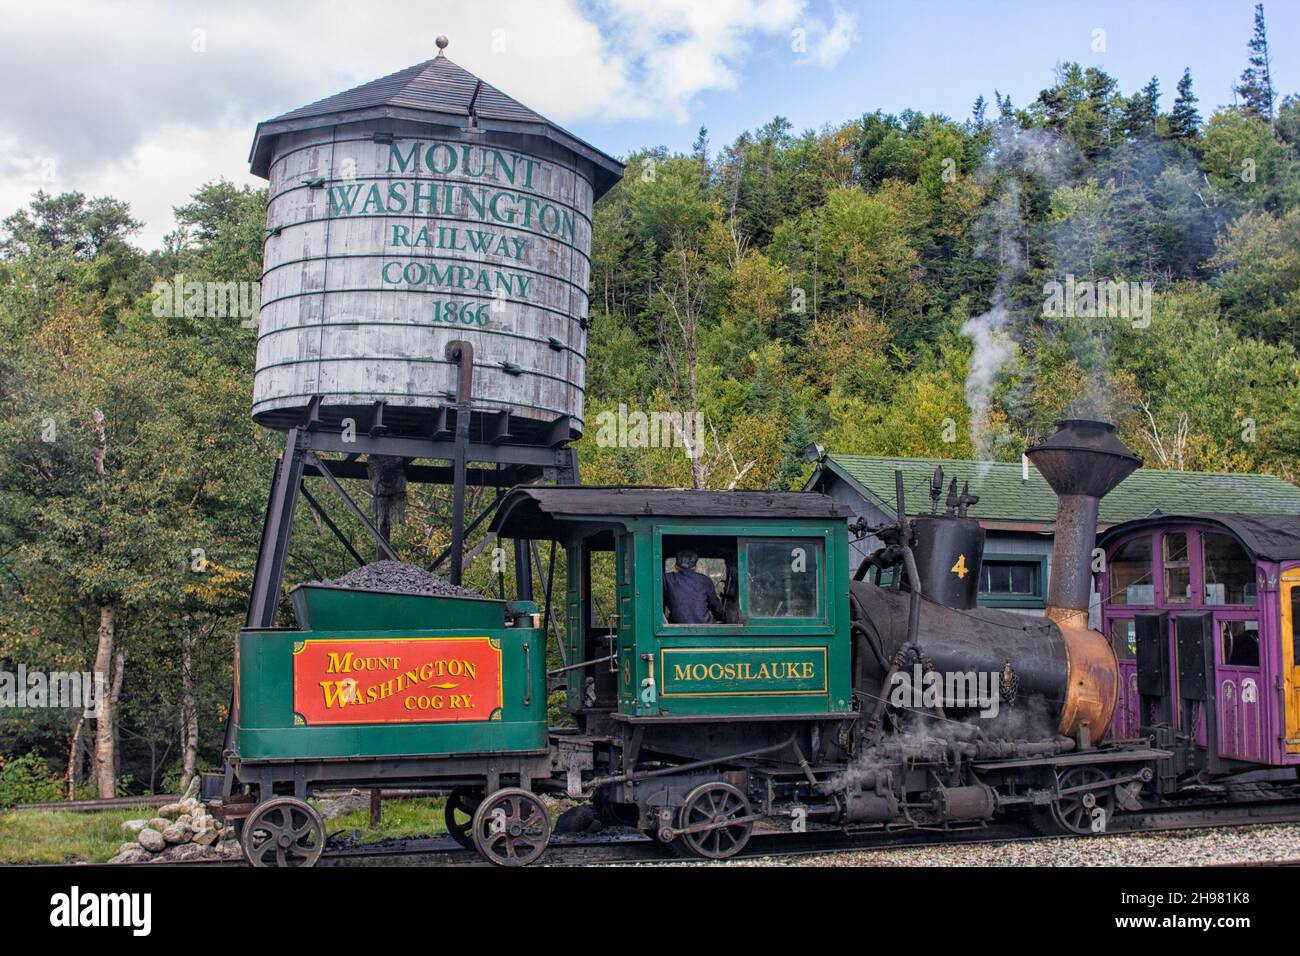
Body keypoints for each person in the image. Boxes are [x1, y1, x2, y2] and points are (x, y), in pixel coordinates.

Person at [662, 550, 724, 624]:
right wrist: (722, 618)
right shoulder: (704, 580)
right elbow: (716, 607)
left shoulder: (667, 579)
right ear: (694, 567)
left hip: (678, 628)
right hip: (706, 627)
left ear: (675, 566)